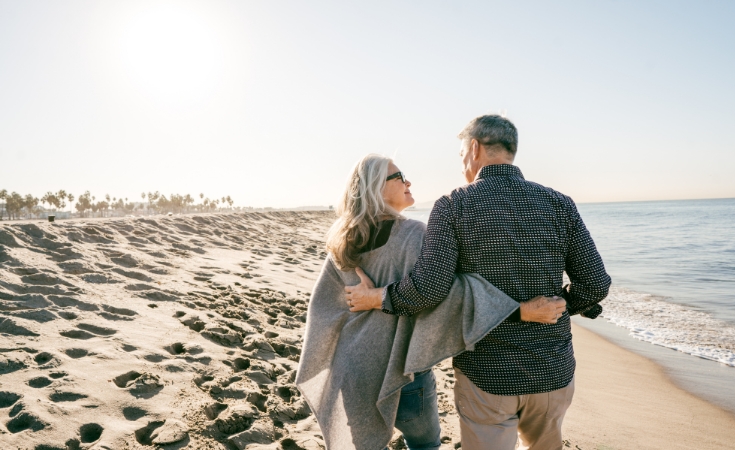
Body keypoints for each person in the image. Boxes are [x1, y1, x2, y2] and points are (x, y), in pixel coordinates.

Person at [345, 115, 611, 450]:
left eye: (460, 156)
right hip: (552, 369)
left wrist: (378, 297)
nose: (461, 166)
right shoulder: (559, 203)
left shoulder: (454, 205)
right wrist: (561, 306)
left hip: (487, 373)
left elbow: (428, 289)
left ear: (474, 149)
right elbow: (595, 284)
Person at [296, 154, 562, 450]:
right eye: (399, 177)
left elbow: (323, 309)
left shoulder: (341, 240)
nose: (408, 181)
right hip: (403, 373)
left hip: (352, 370)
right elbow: (446, 294)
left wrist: (366, 302)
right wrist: (520, 310)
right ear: (375, 188)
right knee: (425, 446)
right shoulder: (413, 235)